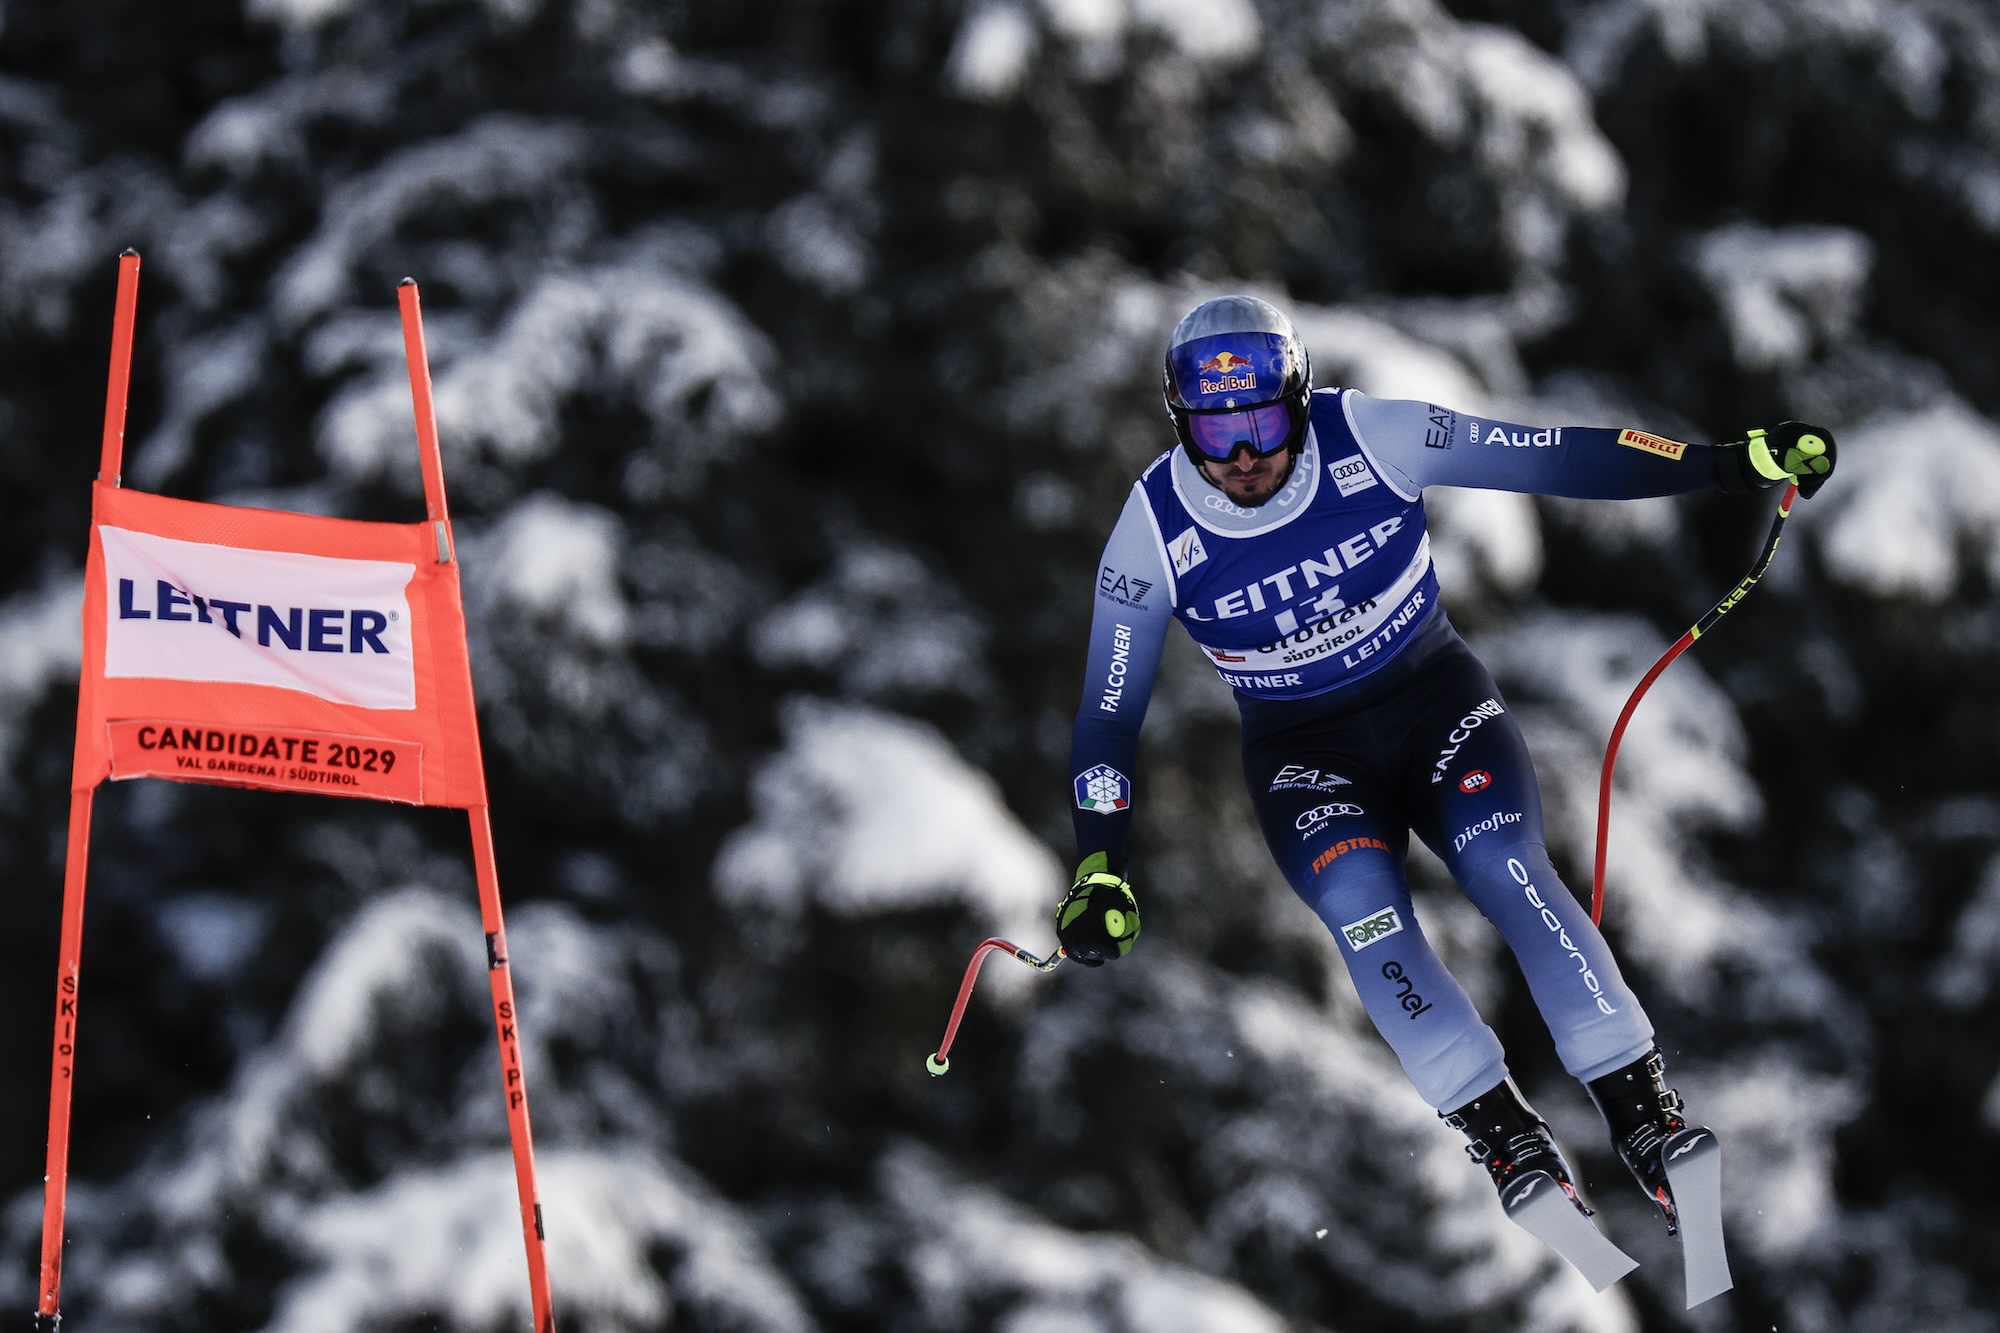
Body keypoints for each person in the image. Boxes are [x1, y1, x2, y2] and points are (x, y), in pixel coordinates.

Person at [1057, 295, 1833, 1249]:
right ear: (1184, 424)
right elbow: (1107, 713)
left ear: (1297, 400)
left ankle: (1644, 1117)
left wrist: (1722, 464)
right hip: (1305, 753)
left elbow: (1549, 453)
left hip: (1432, 700)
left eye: (1262, 421)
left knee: (1504, 863)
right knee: (1364, 911)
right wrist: (1099, 862)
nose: (1245, 455)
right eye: (1217, 432)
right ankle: (1505, 1140)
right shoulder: (1151, 531)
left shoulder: (1371, 435)